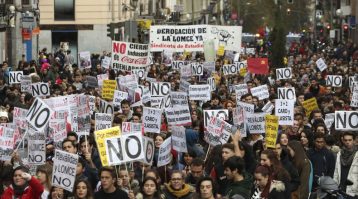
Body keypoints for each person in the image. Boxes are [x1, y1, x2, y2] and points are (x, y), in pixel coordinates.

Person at [333, 132, 358, 197]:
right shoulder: (339, 154)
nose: (347, 142)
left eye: (350, 140)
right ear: (343, 141)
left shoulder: (357, 155)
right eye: (346, 140)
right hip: (340, 189)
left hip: (353, 191)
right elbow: (336, 172)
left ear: (354, 140)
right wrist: (334, 187)